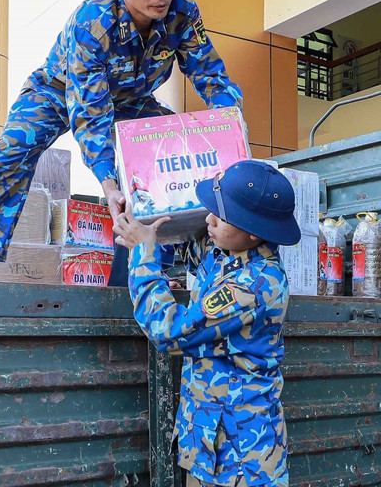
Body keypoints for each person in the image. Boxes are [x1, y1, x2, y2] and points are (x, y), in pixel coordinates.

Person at [0, 0, 243, 279]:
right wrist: (109, 184)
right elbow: (89, 111)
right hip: (58, 89)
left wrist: (232, 138)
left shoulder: (184, 14)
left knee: (170, 146)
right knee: (12, 149)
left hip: (130, 98)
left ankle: (160, 263)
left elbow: (211, 75)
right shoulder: (92, 22)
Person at [114, 160, 300, 486]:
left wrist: (143, 256)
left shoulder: (254, 285)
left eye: (221, 215)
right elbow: (187, 244)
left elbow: (168, 332)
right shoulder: (227, 250)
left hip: (244, 460)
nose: (209, 220)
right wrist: (137, 204)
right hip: (207, 442)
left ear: (253, 230)